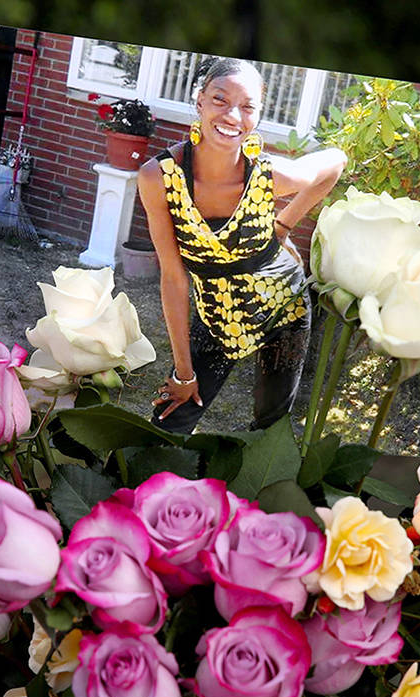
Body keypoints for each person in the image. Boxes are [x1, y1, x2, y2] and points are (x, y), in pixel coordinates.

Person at [137, 57, 346, 434]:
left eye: (248, 106)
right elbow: (173, 277)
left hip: (284, 309)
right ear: (199, 100)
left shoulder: (269, 176)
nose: (233, 115)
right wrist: (184, 372)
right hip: (217, 317)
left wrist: (284, 224)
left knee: (270, 434)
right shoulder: (160, 178)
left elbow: (335, 162)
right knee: (166, 427)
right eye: (220, 99)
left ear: (258, 116)